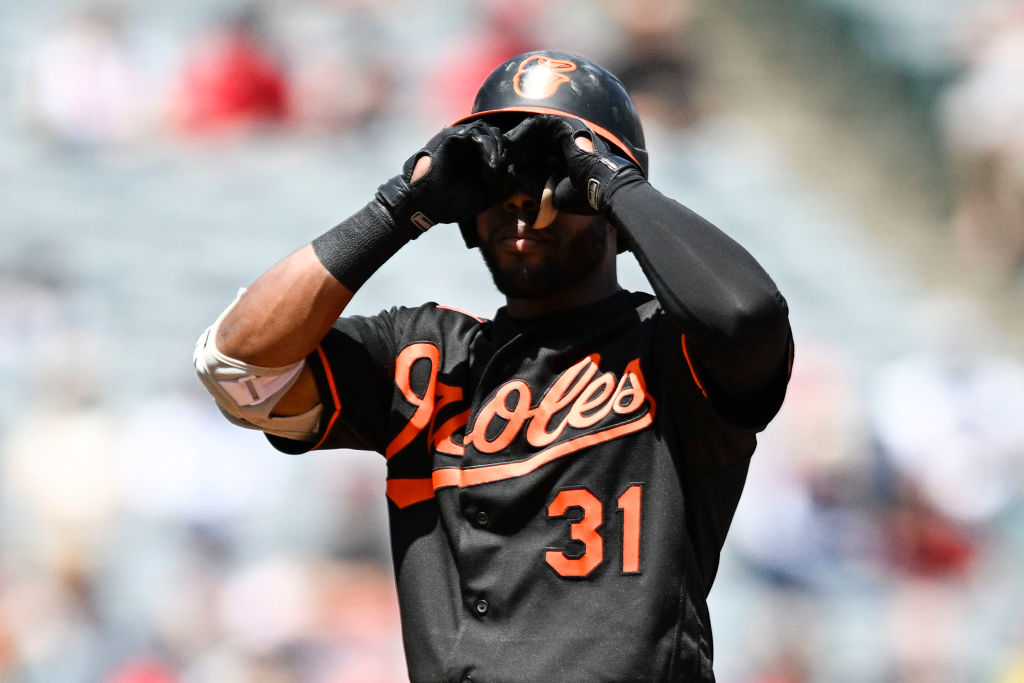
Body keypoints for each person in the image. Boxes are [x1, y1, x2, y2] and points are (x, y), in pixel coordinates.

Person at [194, 50, 794, 682]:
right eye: (503, 175)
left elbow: (747, 317)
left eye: (554, 175)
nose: (524, 200)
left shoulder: (671, 350)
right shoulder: (423, 352)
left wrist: (612, 182)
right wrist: (402, 205)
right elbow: (239, 366)